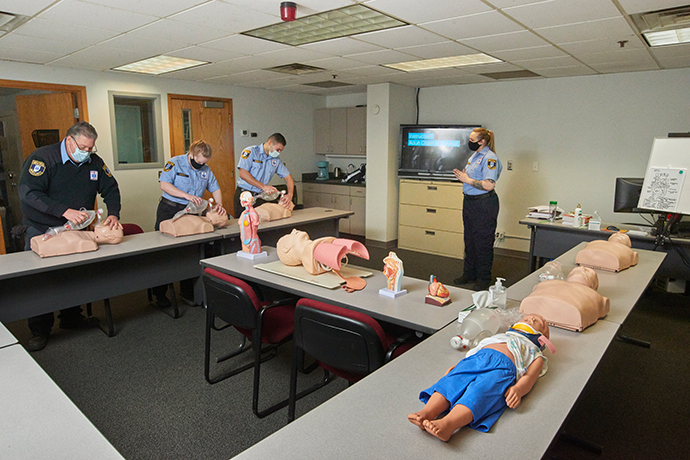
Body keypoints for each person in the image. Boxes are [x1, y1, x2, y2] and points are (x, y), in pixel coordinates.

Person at [18, 121, 122, 351]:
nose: (86, 153)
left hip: (75, 230)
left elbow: (111, 188)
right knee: (41, 281)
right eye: (82, 148)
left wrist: (113, 213)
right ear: (69, 141)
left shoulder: (93, 162)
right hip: (43, 229)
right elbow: (29, 193)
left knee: (73, 276)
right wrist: (63, 211)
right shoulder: (43, 159)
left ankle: (72, 318)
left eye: (90, 148)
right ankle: (40, 329)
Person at [408, 314, 552, 442]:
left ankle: (448, 424)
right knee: (452, 382)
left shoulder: (535, 353)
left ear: (543, 338)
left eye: (539, 321)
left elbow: (530, 377)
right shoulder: (500, 336)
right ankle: (427, 412)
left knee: (480, 393)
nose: (531, 318)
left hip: (503, 370)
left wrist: (519, 389)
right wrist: (458, 366)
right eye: (528, 317)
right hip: (477, 358)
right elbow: (474, 352)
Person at [153, 140, 226, 306]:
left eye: (204, 163)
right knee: (164, 253)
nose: (201, 165)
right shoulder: (175, 163)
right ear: (191, 154)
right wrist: (185, 195)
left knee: (190, 252)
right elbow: (164, 184)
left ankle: (188, 291)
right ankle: (160, 294)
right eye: (198, 161)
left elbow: (215, 188)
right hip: (170, 210)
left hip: (191, 212)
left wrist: (219, 204)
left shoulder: (206, 170)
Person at [452, 128, 502, 291]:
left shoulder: (490, 158)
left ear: (482, 141)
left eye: (473, 140)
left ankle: (483, 278)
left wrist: (468, 179)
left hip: (484, 204)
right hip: (470, 202)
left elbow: (488, 184)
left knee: (483, 242)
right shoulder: (475, 156)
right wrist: (463, 178)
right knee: (470, 240)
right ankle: (469, 274)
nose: (470, 142)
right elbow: (472, 178)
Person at [234, 133, 294, 218]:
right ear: (270, 143)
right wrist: (263, 187)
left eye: (280, 151)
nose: (279, 153)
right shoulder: (251, 152)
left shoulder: (275, 160)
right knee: (244, 224)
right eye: (277, 149)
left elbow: (288, 177)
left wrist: (290, 194)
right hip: (245, 195)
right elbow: (243, 173)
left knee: (260, 225)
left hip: (260, 197)